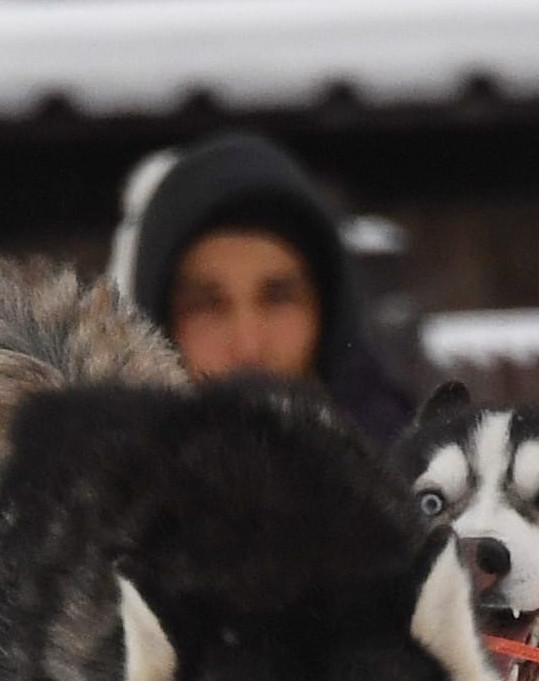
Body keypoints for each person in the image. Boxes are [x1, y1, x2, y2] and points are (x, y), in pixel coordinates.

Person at [109, 131, 412, 447]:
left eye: (278, 298)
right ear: (158, 322)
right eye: (206, 305)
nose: (249, 346)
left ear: (329, 310)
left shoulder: (416, 477)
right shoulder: (96, 486)